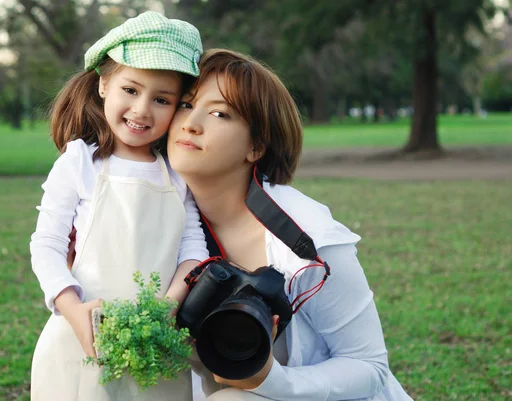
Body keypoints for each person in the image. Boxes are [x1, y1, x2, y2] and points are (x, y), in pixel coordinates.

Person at [166, 49, 414, 401]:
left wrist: (270, 379)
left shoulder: (306, 240)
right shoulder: (161, 219)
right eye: (187, 104)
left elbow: (369, 367)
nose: (191, 123)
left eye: (220, 113)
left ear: (255, 147)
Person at [29, 12, 208, 401]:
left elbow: (193, 250)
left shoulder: (176, 174)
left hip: (154, 346)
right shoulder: (80, 161)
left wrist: (169, 306)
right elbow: (47, 245)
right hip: (80, 337)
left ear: (178, 106)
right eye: (131, 89)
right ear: (104, 84)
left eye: (162, 99)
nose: (142, 109)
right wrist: (72, 308)